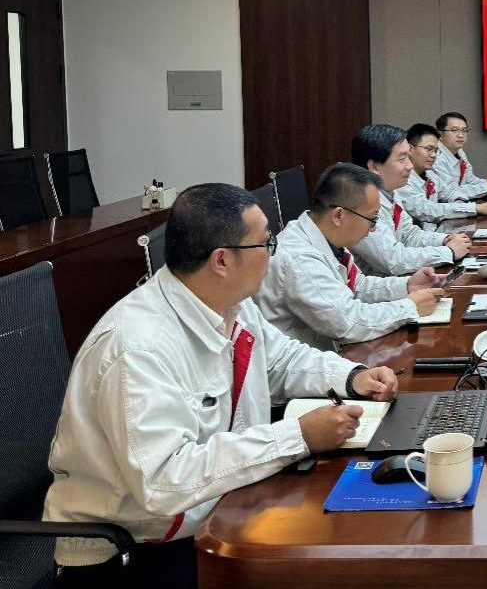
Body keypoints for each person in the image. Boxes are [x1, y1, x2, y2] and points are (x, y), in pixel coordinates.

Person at [44, 183, 398, 588]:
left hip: (215, 508)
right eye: (265, 243)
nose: (272, 253)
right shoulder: (136, 347)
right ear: (222, 260)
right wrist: (297, 437)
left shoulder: (229, 303)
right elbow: (163, 482)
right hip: (131, 554)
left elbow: (281, 360)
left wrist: (352, 377)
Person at [255, 163, 446, 352]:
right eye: (372, 219)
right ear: (339, 215)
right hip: (309, 362)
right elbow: (348, 322)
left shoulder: (324, 236)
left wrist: (407, 285)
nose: (374, 229)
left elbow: (357, 287)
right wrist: (410, 307)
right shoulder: (299, 258)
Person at [349, 124, 471, 276]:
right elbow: (393, 261)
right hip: (378, 287)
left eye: (408, 157)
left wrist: (445, 239)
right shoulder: (358, 202)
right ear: (374, 166)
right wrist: (449, 252)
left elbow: (410, 234)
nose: (410, 165)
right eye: (402, 159)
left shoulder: (389, 191)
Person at [398, 123, 487, 229]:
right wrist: (474, 208)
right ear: (410, 149)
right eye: (429, 149)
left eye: (436, 150)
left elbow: (450, 191)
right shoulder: (402, 181)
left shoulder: (430, 174)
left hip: (435, 232)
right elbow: (427, 210)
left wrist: (460, 203)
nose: (433, 155)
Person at [432, 111, 487, 200]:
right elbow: (450, 192)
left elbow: (470, 179)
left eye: (464, 130)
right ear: (440, 135)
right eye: (454, 130)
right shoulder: (435, 156)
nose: (461, 135)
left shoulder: (460, 151)